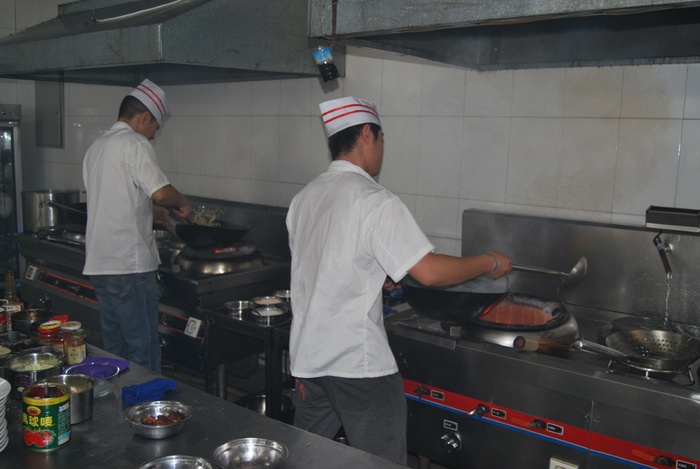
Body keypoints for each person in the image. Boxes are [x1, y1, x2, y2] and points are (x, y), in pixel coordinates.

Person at [285, 96, 512, 464]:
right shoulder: (375, 200)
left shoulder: (304, 198)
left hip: (309, 361)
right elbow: (430, 272)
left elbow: (325, 267)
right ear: (367, 134)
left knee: (306, 461)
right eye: (382, 138)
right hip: (357, 366)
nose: (382, 148)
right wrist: (489, 262)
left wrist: (376, 276)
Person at [82, 79, 192, 373]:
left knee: (114, 349)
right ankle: (145, 400)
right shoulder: (134, 143)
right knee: (143, 349)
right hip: (128, 267)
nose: (153, 135)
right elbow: (161, 192)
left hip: (101, 265)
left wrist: (148, 210)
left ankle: (118, 400)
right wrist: (181, 201)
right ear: (144, 118)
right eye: (155, 126)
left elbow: (113, 197)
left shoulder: (97, 147)